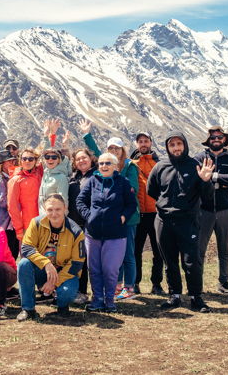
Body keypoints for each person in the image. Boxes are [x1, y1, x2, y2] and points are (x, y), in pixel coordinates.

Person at [147, 131, 215, 312]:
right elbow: (151, 190)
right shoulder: (160, 167)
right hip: (164, 221)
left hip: (188, 221)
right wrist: (166, 205)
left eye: (179, 144)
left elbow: (207, 197)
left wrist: (206, 181)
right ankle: (174, 295)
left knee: (191, 261)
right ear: (167, 147)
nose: (176, 148)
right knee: (169, 260)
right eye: (172, 145)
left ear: (184, 145)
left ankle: (196, 297)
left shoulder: (195, 166)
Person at [79, 119, 140, 300]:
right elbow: (96, 153)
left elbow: (133, 191)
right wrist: (87, 135)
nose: (114, 151)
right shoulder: (105, 166)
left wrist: (115, 178)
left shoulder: (129, 167)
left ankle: (129, 287)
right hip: (109, 219)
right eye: (111, 148)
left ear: (123, 151)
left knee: (128, 253)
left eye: (117, 148)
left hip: (126, 218)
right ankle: (117, 286)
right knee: (115, 256)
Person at [16, 194, 85, 321]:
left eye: (58, 209)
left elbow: (76, 263)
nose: (54, 214)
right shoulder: (36, 223)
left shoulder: (76, 231)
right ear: (44, 209)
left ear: (65, 208)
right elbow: (26, 248)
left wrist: (54, 282)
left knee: (67, 293)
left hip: (65, 273)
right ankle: (28, 309)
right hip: (43, 269)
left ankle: (62, 307)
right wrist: (46, 264)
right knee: (23, 264)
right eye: (50, 210)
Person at [194, 126, 228, 295]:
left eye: (219, 137)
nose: (216, 140)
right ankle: (196, 285)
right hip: (203, 210)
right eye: (213, 137)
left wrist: (211, 177)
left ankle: (224, 283)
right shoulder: (199, 158)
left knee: (225, 249)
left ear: (224, 140)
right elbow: (196, 180)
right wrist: (220, 182)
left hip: (225, 209)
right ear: (208, 140)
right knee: (199, 250)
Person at [130, 131, 165, 295]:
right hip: (138, 214)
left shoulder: (158, 163)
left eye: (146, 141)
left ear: (150, 143)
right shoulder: (131, 164)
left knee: (158, 251)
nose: (143, 144)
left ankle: (156, 284)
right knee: (136, 250)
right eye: (140, 141)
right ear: (137, 144)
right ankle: (135, 283)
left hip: (156, 213)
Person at [68, 147, 97, 304]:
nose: (81, 161)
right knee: (78, 259)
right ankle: (80, 291)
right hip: (73, 224)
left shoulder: (97, 175)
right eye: (78, 159)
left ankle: (96, 293)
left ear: (91, 158)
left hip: (90, 223)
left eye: (84, 157)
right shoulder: (73, 177)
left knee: (90, 259)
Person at [0, 149, 19, 258]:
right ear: (2, 163)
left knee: (13, 252)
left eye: (13, 161)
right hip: (3, 223)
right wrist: (18, 203)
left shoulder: (9, 177)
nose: (12, 163)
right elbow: (1, 201)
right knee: (6, 252)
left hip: (10, 222)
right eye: (9, 161)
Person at [7, 148, 43, 242]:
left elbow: (49, 158)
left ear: (35, 161)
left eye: (31, 159)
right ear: (20, 160)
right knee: (29, 255)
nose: (27, 161)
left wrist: (51, 137)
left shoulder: (38, 173)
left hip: (43, 222)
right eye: (24, 158)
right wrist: (19, 229)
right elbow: (12, 206)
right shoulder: (16, 180)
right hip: (27, 225)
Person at [38, 120, 71, 213]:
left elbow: (63, 201)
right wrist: (49, 135)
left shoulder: (61, 177)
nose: (50, 159)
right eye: (47, 157)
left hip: (54, 219)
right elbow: (46, 150)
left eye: (54, 157)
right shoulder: (46, 173)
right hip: (42, 217)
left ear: (59, 160)